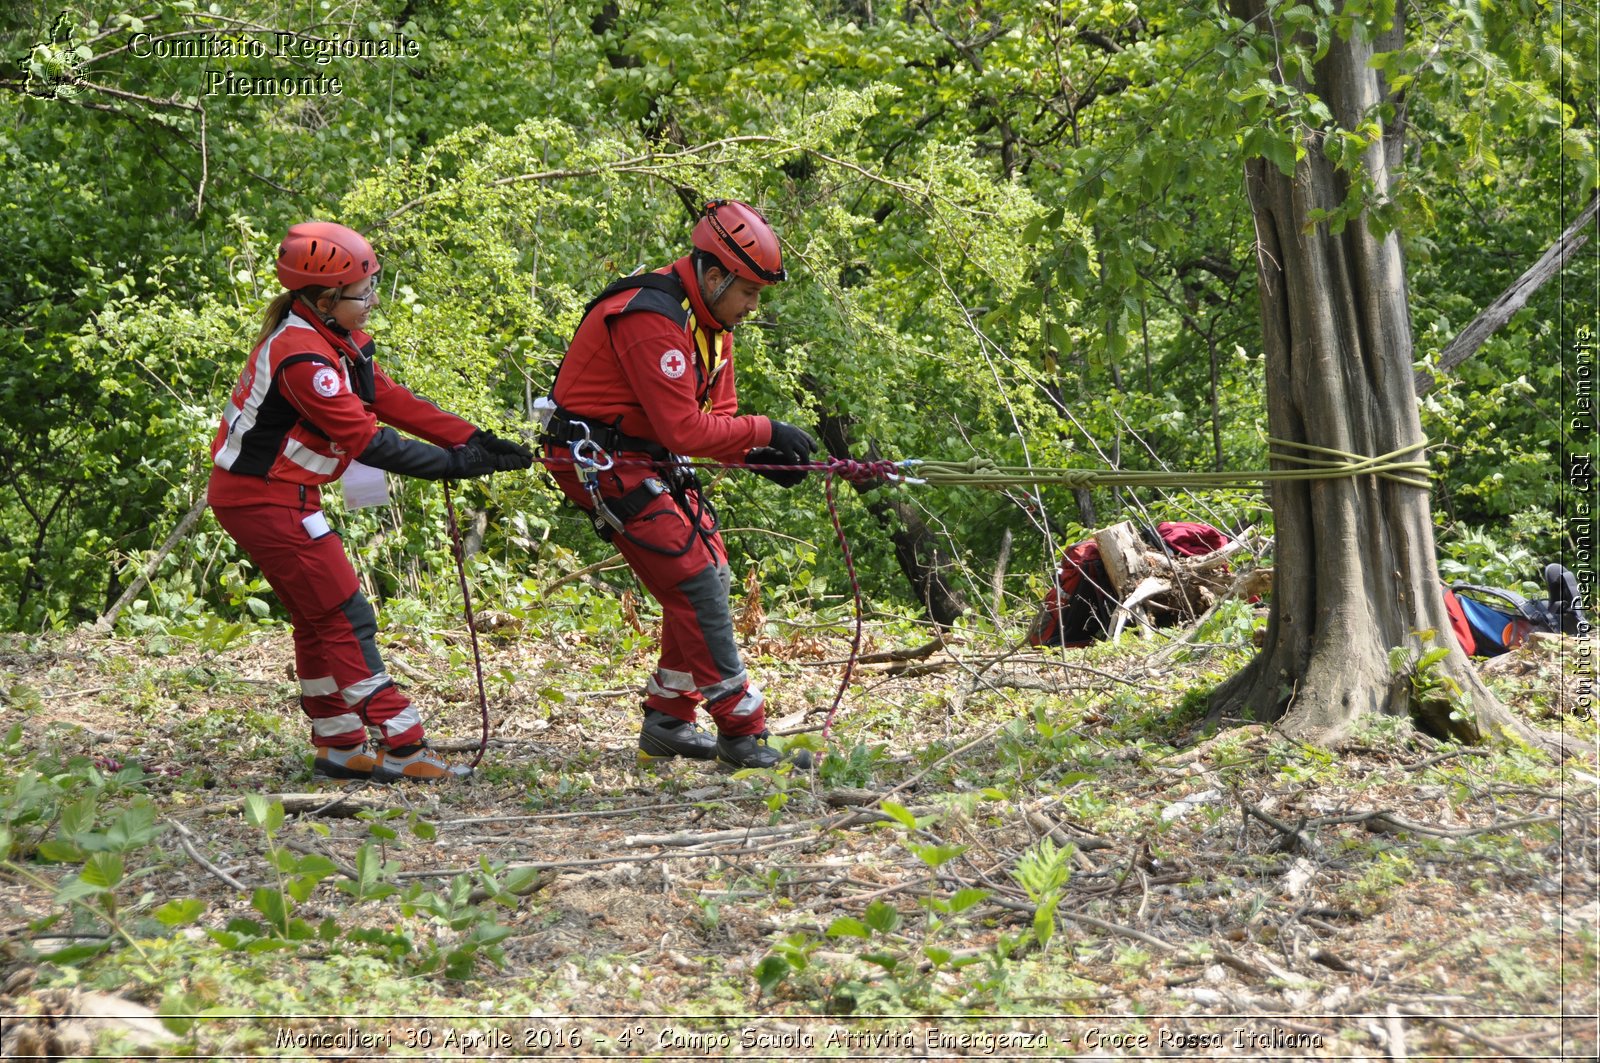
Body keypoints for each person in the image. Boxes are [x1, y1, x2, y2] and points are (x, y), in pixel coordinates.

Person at [208, 221, 533, 782]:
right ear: (326, 297)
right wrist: (457, 466)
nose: (373, 300)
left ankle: (338, 744)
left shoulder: (337, 341)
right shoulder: (303, 360)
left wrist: (471, 439)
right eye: (365, 292)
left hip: (282, 496)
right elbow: (370, 441)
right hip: (264, 501)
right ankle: (404, 745)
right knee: (344, 614)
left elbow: (391, 399)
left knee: (317, 620)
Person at [540, 199, 818, 769]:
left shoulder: (712, 320)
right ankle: (742, 731)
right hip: (600, 459)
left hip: (647, 457)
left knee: (708, 568)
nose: (752, 307)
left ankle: (669, 719)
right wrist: (767, 429)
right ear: (714, 276)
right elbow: (683, 427)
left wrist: (759, 456)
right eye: (749, 293)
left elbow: (720, 417)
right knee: (693, 579)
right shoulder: (652, 319)